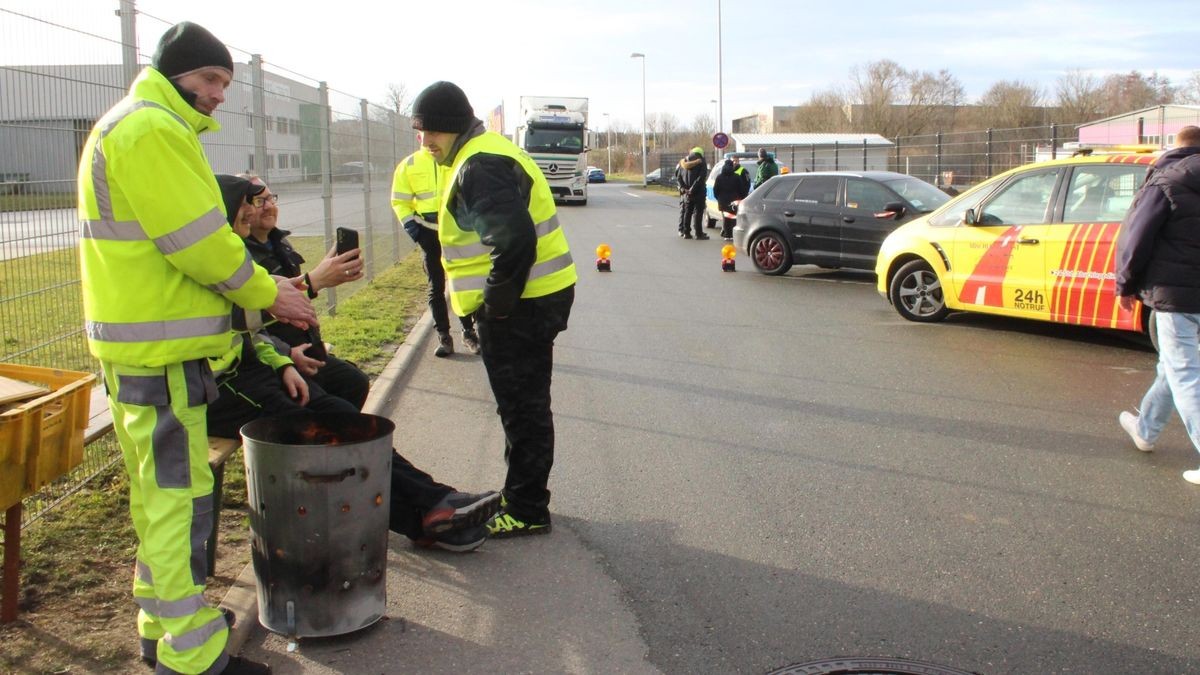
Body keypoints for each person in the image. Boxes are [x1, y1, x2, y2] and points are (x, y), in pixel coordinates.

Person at [76, 22, 316, 675]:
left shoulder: (140, 125)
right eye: (210, 79)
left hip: (146, 348)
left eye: (225, 84)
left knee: (162, 493)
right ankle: (190, 652)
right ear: (175, 71)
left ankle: (164, 623)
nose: (217, 94)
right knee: (177, 496)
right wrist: (272, 293)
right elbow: (202, 245)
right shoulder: (153, 129)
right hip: (159, 352)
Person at [411, 80, 576, 538]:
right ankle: (521, 492)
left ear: (451, 127)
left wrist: (495, 308)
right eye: (418, 132)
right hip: (532, 298)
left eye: (429, 132)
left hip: (520, 305)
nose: (424, 143)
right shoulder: (480, 153)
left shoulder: (478, 164)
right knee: (522, 406)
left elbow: (514, 240)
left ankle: (525, 508)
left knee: (522, 409)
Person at [238, 173, 371, 408]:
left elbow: (295, 297)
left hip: (307, 350)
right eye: (259, 202)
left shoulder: (280, 243)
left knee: (354, 382)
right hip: (273, 358)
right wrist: (315, 281)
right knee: (336, 411)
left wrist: (322, 277)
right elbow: (249, 318)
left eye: (271, 199)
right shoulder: (238, 258)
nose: (269, 207)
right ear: (243, 209)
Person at [1115, 125, 1200, 485]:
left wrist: (1125, 285)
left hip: (1177, 294)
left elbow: (1136, 237)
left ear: (1175, 147)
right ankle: (1146, 430)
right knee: (1173, 365)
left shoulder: (1164, 179)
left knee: (1184, 372)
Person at [391, 147, 480, 358]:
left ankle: (469, 333)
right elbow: (399, 201)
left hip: (458, 233)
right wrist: (414, 230)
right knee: (436, 286)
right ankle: (444, 337)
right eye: (424, 133)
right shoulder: (409, 165)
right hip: (428, 234)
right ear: (419, 137)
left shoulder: (457, 159)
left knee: (462, 284)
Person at [713, 157, 750, 241]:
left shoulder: (719, 177)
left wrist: (719, 198)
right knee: (733, 218)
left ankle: (727, 234)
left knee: (726, 218)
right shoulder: (736, 177)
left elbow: (715, 190)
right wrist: (741, 198)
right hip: (734, 201)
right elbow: (741, 189)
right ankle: (733, 235)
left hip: (722, 201)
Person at [676, 146, 709, 240]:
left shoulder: (683, 163)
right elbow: (701, 178)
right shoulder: (701, 162)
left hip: (686, 193)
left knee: (687, 212)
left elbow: (678, 177)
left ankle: (686, 232)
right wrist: (693, 189)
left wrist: (684, 189)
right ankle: (698, 233)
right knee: (698, 213)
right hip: (698, 192)